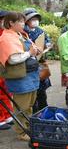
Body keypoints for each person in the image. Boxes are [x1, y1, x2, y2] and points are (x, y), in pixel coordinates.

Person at [0, 12, 40, 141]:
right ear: (11, 23)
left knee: (30, 104)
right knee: (21, 106)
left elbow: (28, 50)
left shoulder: (21, 35)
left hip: (30, 75)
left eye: (24, 21)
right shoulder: (6, 38)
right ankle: (22, 132)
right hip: (20, 77)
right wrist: (30, 53)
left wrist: (35, 50)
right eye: (21, 22)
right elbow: (12, 59)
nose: (24, 24)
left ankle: (28, 126)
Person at [23, 8, 52, 113]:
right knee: (32, 90)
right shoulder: (23, 32)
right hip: (29, 65)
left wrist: (47, 47)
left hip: (41, 62)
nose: (35, 21)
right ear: (26, 20)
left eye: (36, 19)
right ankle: (35, 113)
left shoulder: (40, 30)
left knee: (42, 89)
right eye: (32, 19)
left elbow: (48, 42)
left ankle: (44, 109)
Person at [0, 10, 14, 130]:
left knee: (6, 91)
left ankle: (7, 114)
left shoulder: (5, 32)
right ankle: (0, 118)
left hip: (4, 66)